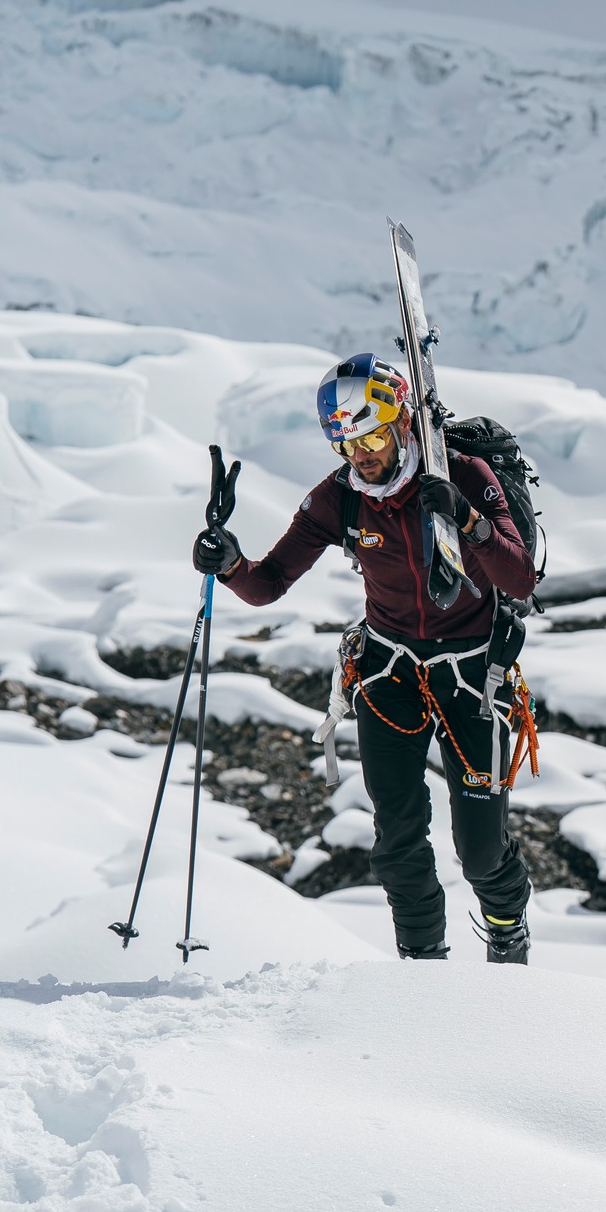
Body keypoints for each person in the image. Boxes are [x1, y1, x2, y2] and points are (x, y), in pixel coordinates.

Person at [192, 354, 538, 963]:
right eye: (347, 444)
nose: (364, 456)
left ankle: (508, 936)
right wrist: (229, 565)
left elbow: (519, 579)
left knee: (481, 850)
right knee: (398, 842)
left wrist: (466, 518)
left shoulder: (463, 472)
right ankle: (421, 973)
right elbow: (268, 582)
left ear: (401, 419)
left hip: (473, 676)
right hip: (388, 672)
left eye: (373, 436)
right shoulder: (340, 498)